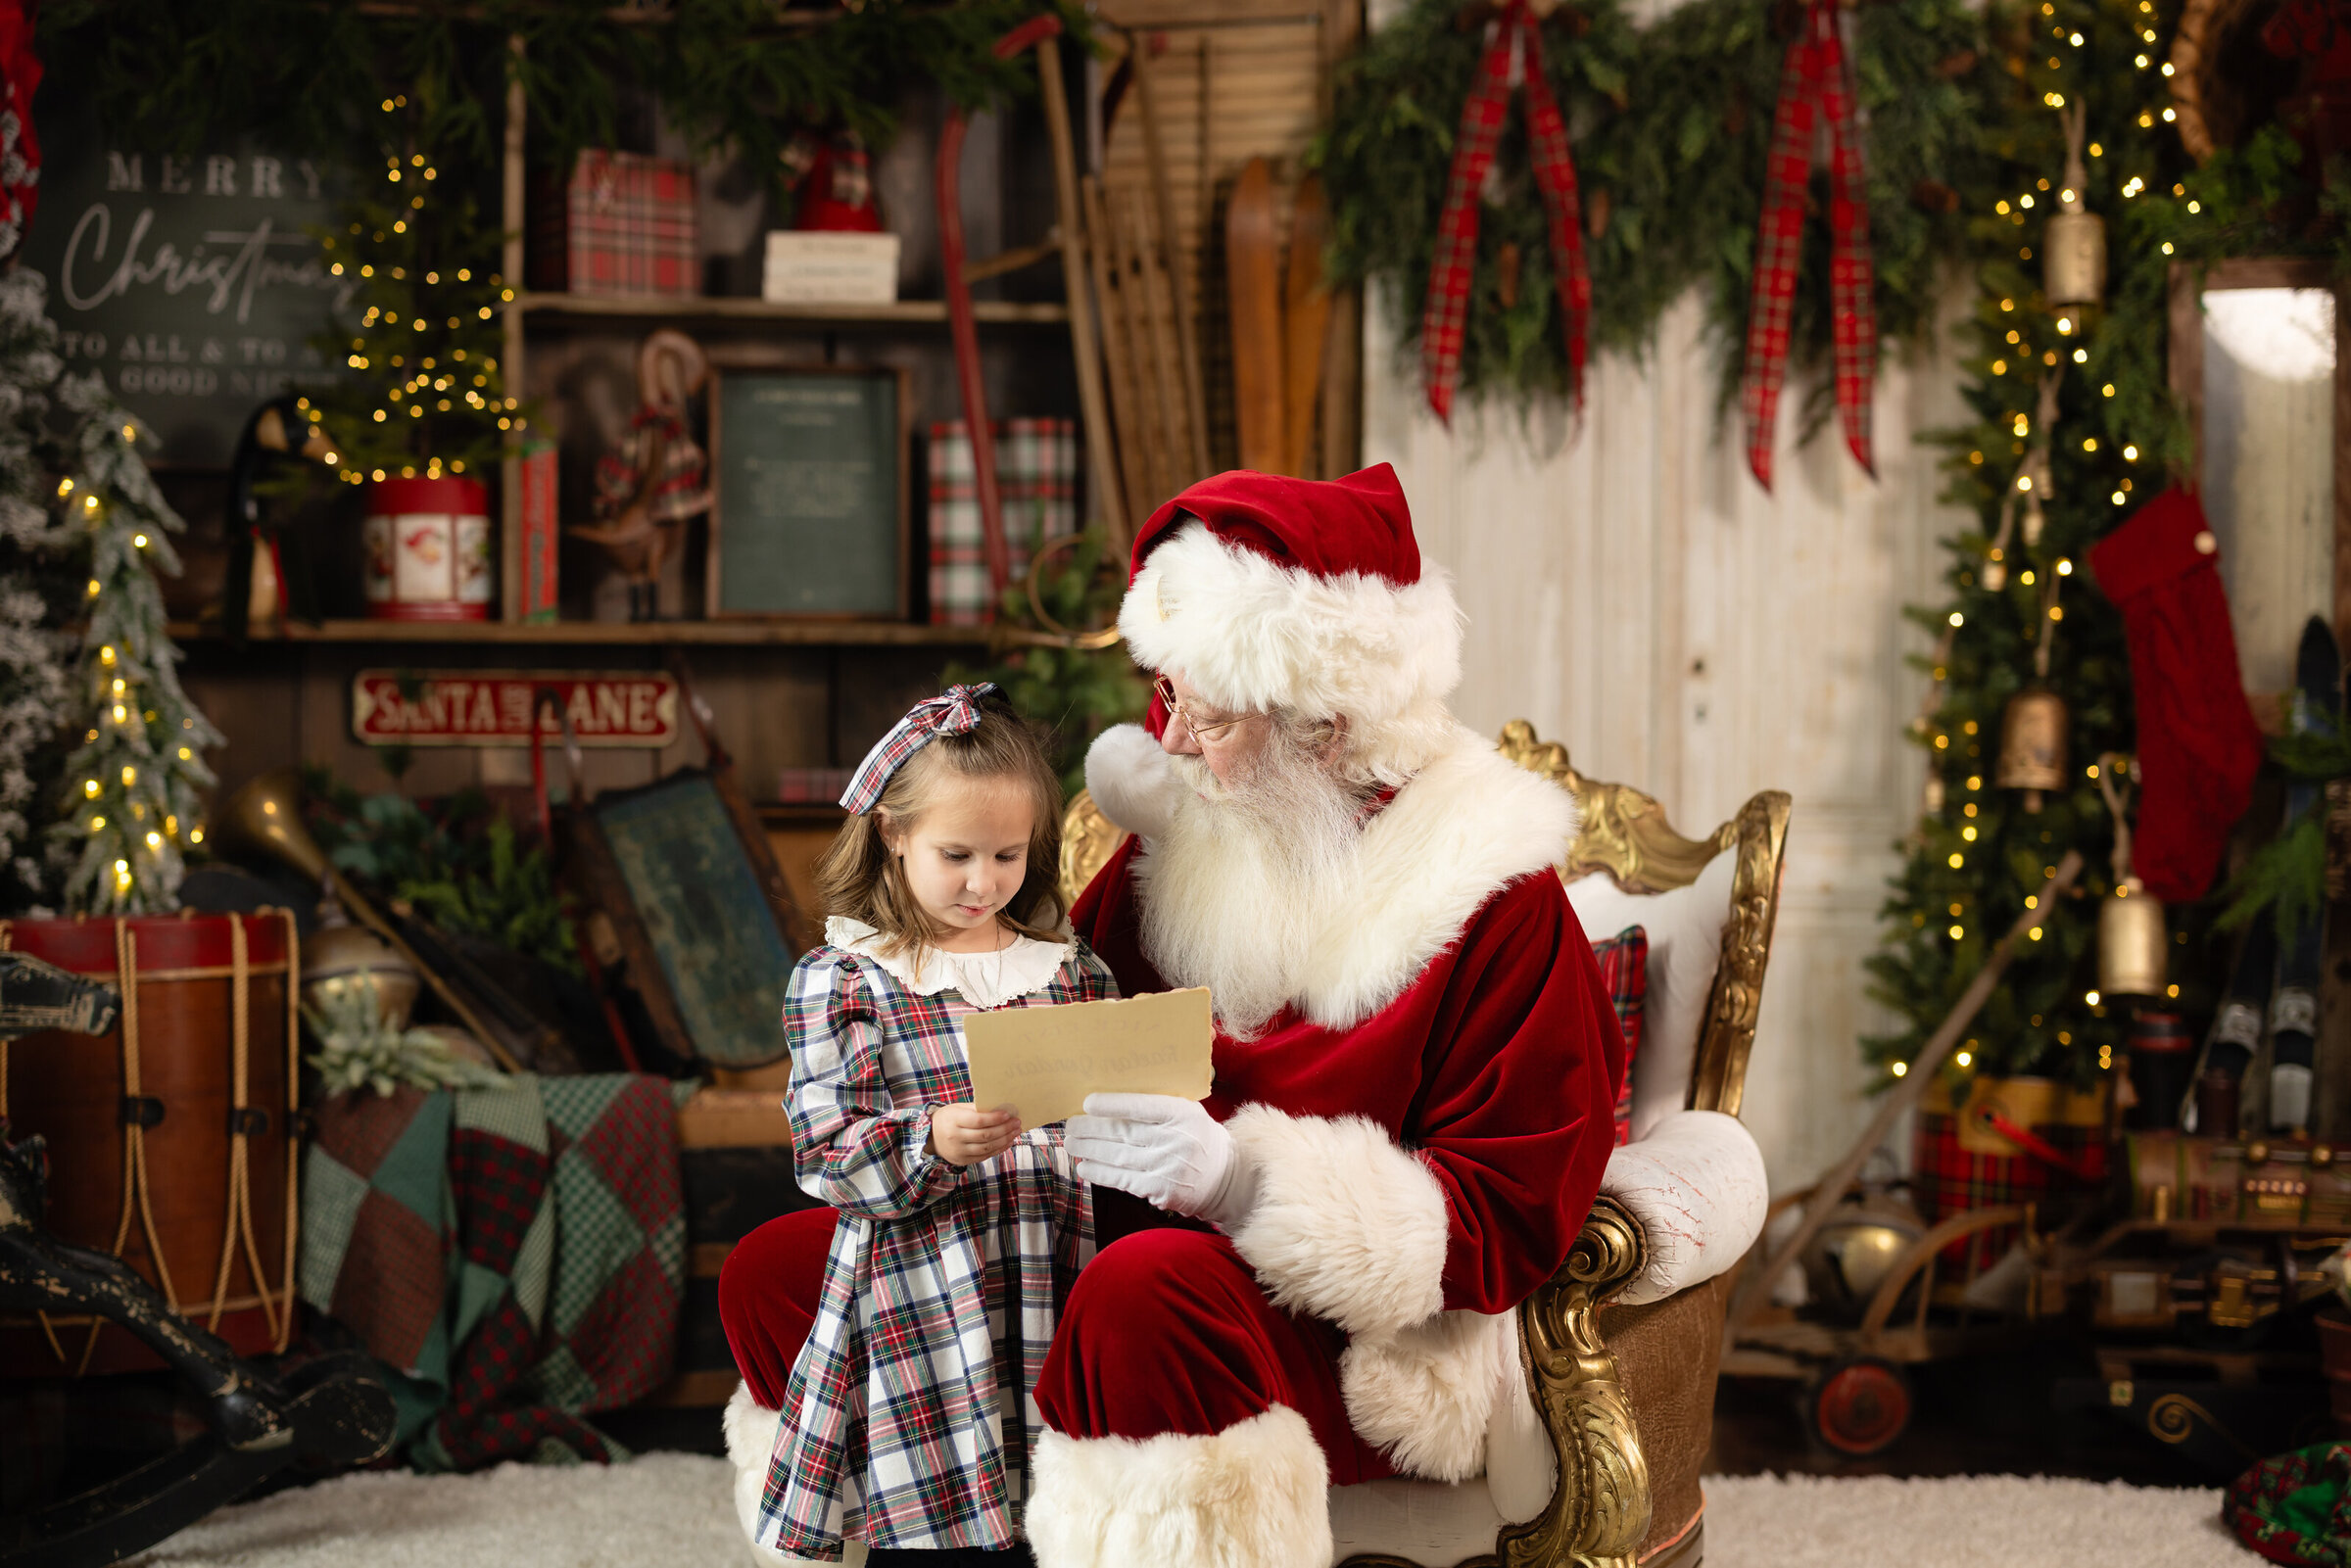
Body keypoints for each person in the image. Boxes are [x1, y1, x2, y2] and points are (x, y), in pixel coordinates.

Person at [1026, 463, 1625, 1568]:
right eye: (1170, 699)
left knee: (1146, 1290)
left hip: (1372, 1341)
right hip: (1121, 1251)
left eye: (1213, 715)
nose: (1176, 742)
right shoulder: (1180, 841)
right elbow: (1064, 1029)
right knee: (800, 1263)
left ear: (1329, 727)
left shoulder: (1493, 896)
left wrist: (1244, 1183)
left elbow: (1512, 1211)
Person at [720, 684, 1119, 1567]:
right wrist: (929, 1139)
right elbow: (824, 1146)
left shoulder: (1068, 967)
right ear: (894, 835)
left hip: (1052, 1260)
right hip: (921, 1281)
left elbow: (1111, 1089)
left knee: (1051, 1508)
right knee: (933, 1513)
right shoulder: (849, 978)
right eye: (957, 854)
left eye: (1009, 854)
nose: (985, 882)